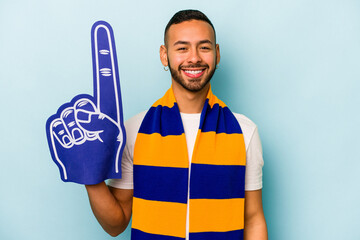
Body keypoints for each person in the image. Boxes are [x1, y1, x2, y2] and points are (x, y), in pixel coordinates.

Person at [85, 9, 268, 240]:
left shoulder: (245, 131)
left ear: (217, 53)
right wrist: (89, 174)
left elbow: (253, 219)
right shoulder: (133, 130)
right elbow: (115, 224)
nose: (194, 58)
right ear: (164, 55)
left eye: (204, 47)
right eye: (182, 48)